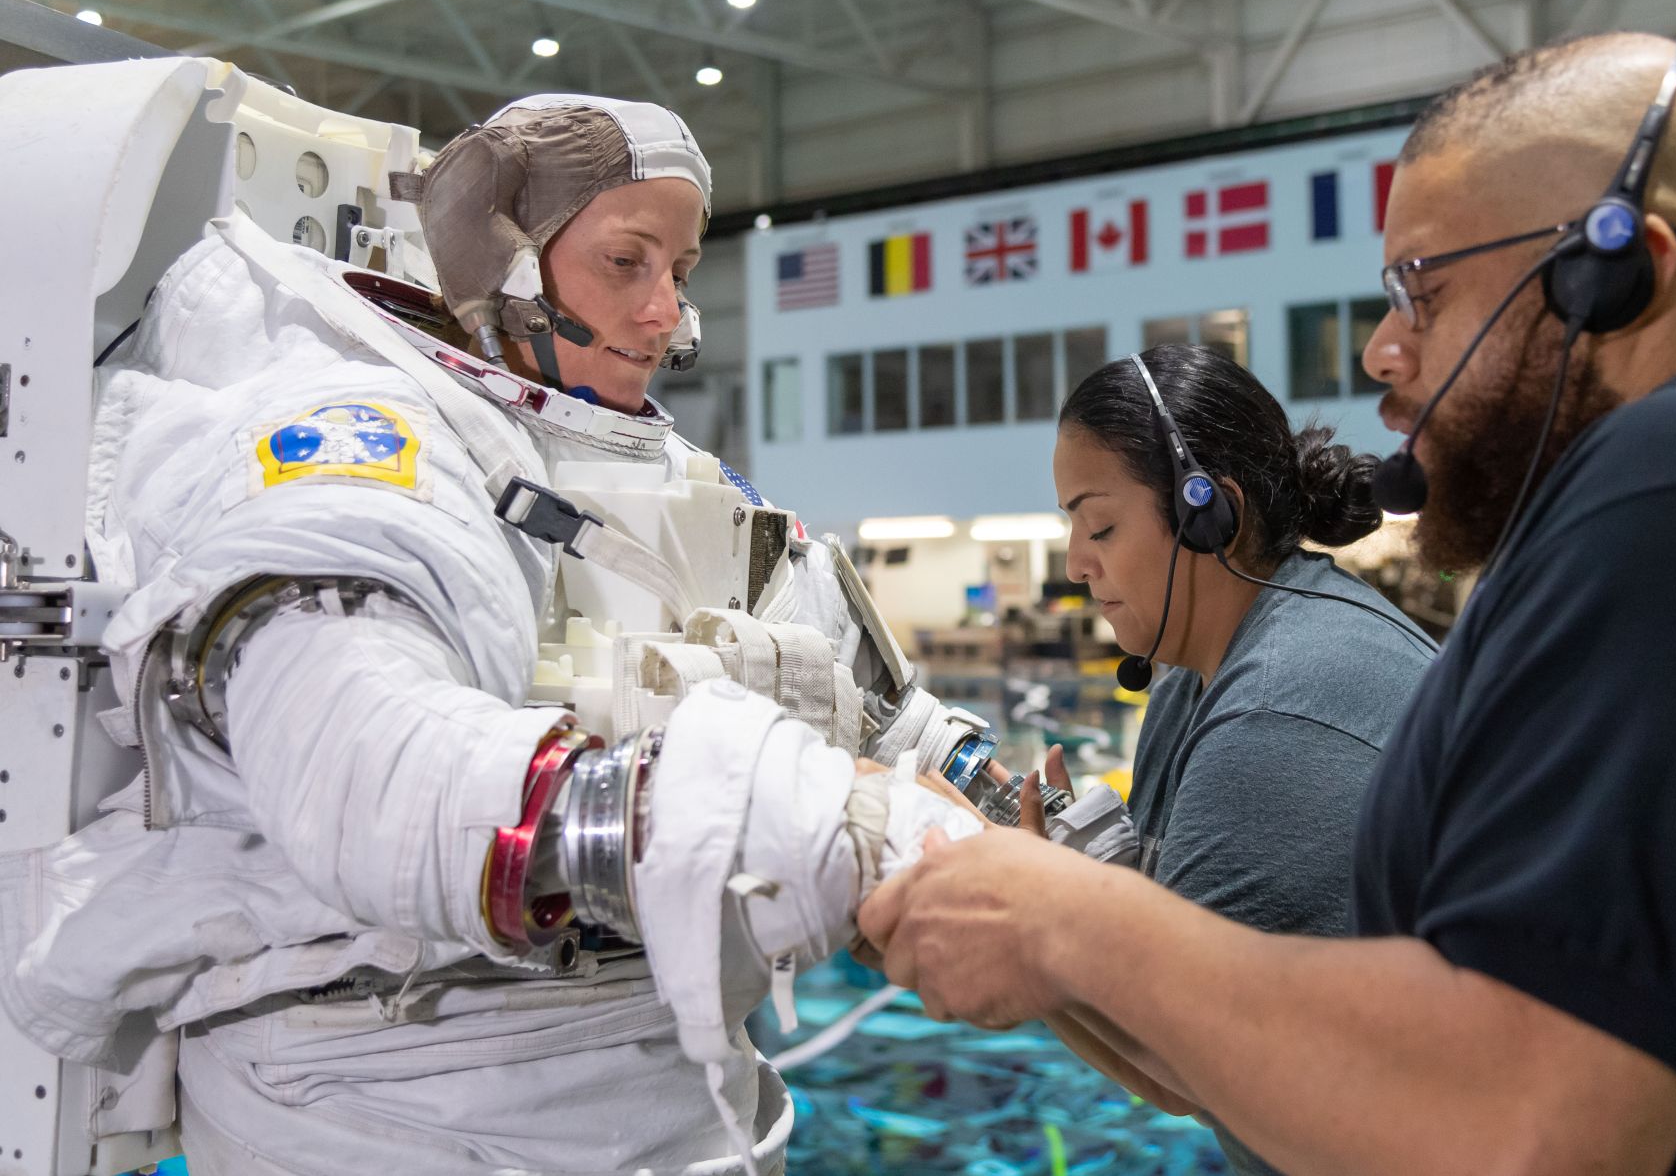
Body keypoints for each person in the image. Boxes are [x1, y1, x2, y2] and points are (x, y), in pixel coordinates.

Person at [859, 31, 1676, 1175]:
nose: (1380, 349)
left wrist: (1062, 916)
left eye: (1424, 287)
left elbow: (1529, 1123)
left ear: (1616, 272)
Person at [0, 85, 994, 1175]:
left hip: (677, 1093)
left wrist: (1008, 815)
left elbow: (884, 714)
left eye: (682, 270)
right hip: (391, 1098)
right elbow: (371, 776)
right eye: (627, 262)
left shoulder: (678, 485)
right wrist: (817, 828)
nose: (665, 311)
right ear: (503, 255)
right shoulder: (351, 435)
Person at [1037, 344, 1435, 1172]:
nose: (1076, 563)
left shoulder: (1282, 703)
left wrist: (1021, 905)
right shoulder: (1198, 674)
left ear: (1206, 510)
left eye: (1100, 523)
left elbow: (1177, 1058)